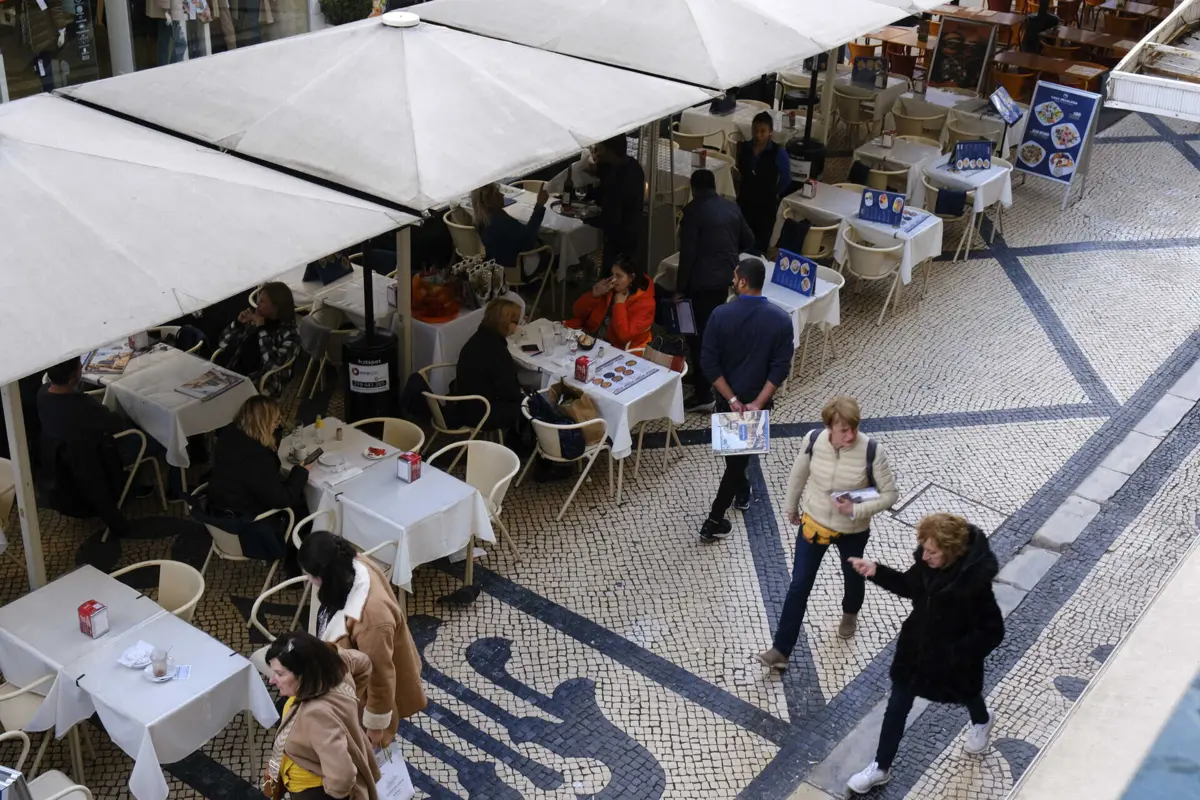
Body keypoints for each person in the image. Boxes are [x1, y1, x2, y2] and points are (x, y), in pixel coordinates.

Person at [843, 513, 1005, 794]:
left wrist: (959, 654)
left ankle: (982, 720)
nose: (925, 556)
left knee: (968, 695)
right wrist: (877, 571)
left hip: (953, 659)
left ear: (951, 551)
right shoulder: (927, 565)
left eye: (932, 552)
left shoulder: (975, 586)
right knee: (896, 707)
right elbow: (910, 586)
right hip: (916, 651)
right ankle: (881, 767)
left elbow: (993, 631)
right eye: (924, 549)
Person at [758, 397, 898, 666]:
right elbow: (798, 475)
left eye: (853, 428)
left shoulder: (871, 451)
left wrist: (855, 508)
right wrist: (791, 506)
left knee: (852, 576)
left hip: (852, 530)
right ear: (828, 427)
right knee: (799, 584)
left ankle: (850, 612)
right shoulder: (813, 440)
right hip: (814, 524)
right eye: (843, 429)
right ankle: (781, 650)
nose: (850, 434)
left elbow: (890, 494)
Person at [298, 531, 427, 747]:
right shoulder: (355, 565)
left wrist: (375, 728)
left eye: (312, 576)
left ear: (327, 576)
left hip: (360, 697)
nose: (309, 581)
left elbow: (380, 677)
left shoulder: (371, 619)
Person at [697, 258, 793, 543]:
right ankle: (740, 493)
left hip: (728, 400)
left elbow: (709, 363)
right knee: (737, 459)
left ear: (742, 281)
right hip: (756, 403)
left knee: (736, 460)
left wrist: (733, 400)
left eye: (734, 276)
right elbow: (780, 368)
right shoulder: (781, 320)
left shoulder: (720, 315)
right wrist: (756, 404)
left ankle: (714, 519)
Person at [36, 357, 168, 536]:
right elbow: (115, 423)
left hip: (64, 469)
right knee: (155, 437)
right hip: (99, 458)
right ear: (73, 377)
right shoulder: (82, 406)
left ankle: (134, 482)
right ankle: (171, 487)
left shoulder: (42, 395)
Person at [263, 631, 382, 800]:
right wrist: (350, 702)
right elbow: (363, 662)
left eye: (280, 674)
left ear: (304, 675)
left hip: (310, 790)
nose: (272, 680)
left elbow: (343, 776)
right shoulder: (335, 670)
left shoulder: (316, 715)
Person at [676, 168, 756, 411]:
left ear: (694, 188)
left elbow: (687, 255)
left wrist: (679, 288)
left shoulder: (692, 211)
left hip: (700, 283)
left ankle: (703, 394)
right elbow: (749, 240)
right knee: (709, 332)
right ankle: (703, 380)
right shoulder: (731, 207)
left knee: (697, 336)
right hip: (724, 280)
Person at [203, 396, 309, 562]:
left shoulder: (230, 434)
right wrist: (300, 471)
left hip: (218, 508)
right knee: (301, 504)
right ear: (263, 424)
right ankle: (295, 561)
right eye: (275, 422)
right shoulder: (258, 459)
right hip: (244, 523)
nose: (278, 425)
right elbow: (282, 499)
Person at [454, 297, 525, 434]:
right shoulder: (497, 351)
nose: (518, 325)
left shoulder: (477, 338)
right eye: (516, 322)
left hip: (464, 403)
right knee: (527, 406)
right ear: (506, 324)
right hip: (481, 413)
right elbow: (510, 391)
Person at [217, 281, 301, 397]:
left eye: (262, 301)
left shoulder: (290, 333)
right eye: (258, 300)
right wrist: (238, 324)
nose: (257, 304)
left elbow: (274, 364)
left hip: (262, 384)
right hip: (235, 375)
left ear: (276, 306)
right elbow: (222, 344)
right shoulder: (256, 319)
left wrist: (262, 329)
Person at [565, 255, 656, 352]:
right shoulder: (608, 288)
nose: (613, 280)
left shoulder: (646, 303)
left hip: (618, 348)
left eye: (619, 276)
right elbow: (577, 312)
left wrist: (619, 305)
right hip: (591, 339)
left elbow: (624, 336)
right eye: (612, 274)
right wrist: (593, 295)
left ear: (632, 277)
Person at [586, 134, 646, 270]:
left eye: (600, 149)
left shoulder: (619, 177)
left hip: (620, 237)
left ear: (610, 150)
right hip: (633, 231)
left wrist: (586, 219)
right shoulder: (632, 165)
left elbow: (612, 216)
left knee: (614, 275)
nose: (597, 153)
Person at [735, 111, 793, 253]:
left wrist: (774, 192)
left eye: (762, 131)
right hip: (745, 202)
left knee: (760, 243)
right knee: (741, 240)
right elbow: (739, 171)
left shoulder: (778, 152)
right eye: (755, 130)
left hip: (765, 206)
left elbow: (786, 178)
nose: (758, 135)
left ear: (770, 133)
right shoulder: (744, 148)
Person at [471, 182, 550, 271]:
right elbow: (529, 241)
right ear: (488, 203)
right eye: (497, 194)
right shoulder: (503, 222)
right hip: (516, 268)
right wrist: (539, 205)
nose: (502, 195)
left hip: (495, 266)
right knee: (550, 252)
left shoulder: (480, 221)